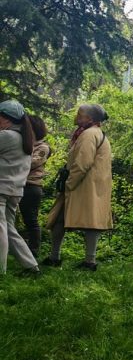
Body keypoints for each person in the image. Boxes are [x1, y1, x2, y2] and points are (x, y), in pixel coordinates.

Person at [45, 104, 112, 270]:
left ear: (89, 118)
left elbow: (83, 163)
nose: (76, 117)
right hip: (87, 185)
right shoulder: (93, 133)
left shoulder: (89, 134)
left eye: (80, 114)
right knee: (60, 218)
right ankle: (55, 257)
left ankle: (89, 262)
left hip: (84, 185)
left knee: (91, 222)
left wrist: (69, 183)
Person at [0, 99, 41, 275]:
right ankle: (31, 266)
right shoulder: (25, 138)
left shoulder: (6, 136)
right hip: (15, 190)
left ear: (6, 118)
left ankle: (1, 270)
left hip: (1, 187)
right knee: (9, 228)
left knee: (1, 228)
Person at [19, 115, 50, 257]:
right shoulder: (24, 143)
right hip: (20, 184)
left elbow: (32, 163)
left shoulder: (42, 147)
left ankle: (34, 249)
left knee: (30, 219)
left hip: (31, 186)